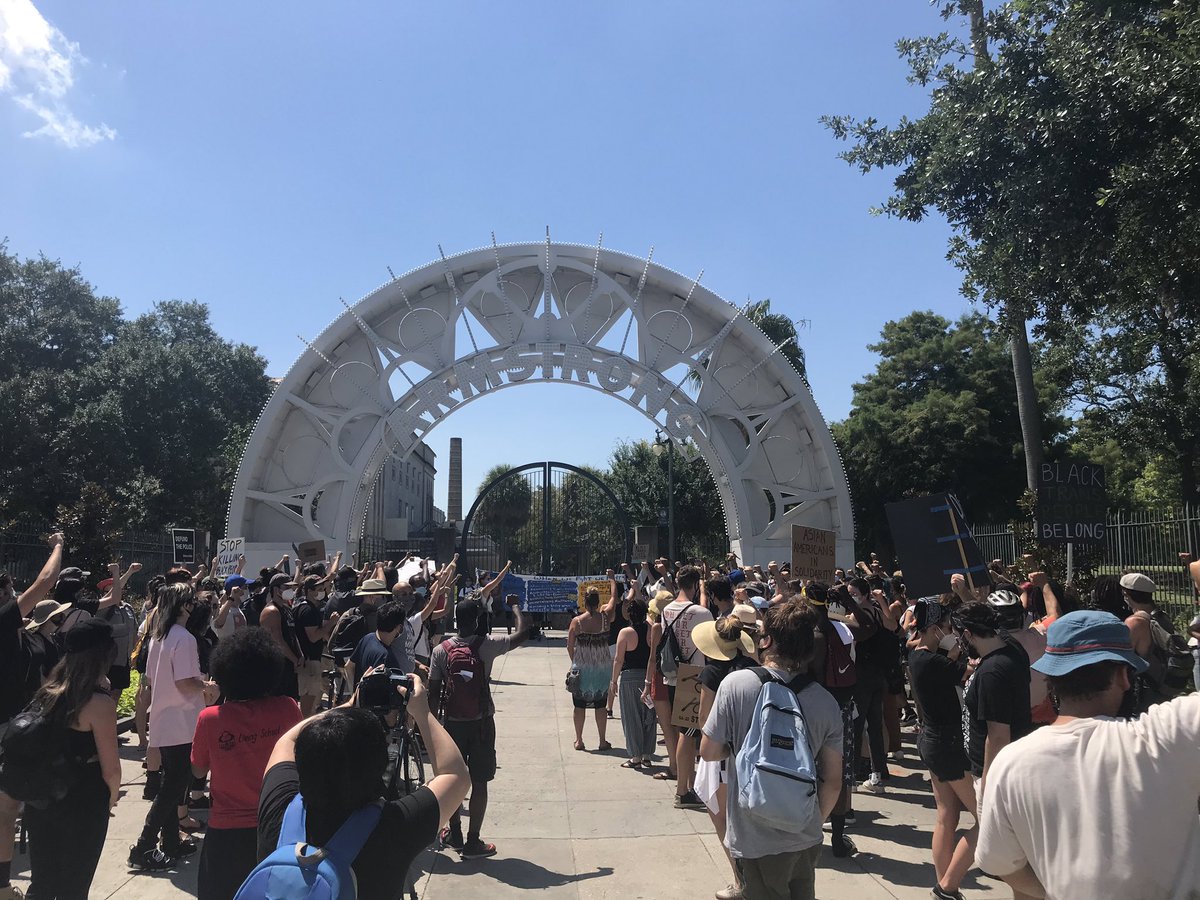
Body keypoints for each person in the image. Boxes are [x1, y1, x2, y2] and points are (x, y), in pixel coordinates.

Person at [976, 611, 1200, 899]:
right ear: (1123, 675)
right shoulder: (1167, 735)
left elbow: (1001, 864)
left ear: (1050, 679)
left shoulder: (1011, 763)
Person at [257, 677, 471, 900]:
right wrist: (422, 711)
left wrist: (348, 705)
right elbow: (456, 774)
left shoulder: (279, 807)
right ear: (380, 765)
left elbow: (286, 742)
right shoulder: (394, 826)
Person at [700, 601, 843, 900]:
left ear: (767, 640)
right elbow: (833, 780)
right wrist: (813, 820)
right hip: (804, 834)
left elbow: (709, 751)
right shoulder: (826, 702)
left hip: (753, 834)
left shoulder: (735, 685)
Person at [192, 627, 302, 900]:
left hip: (226, 829)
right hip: (278, 823)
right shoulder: (288, 708)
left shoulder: (210, 718)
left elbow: (197, 769)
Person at [20, 618, 121, 900]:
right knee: (74, 886)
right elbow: (111, 770)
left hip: (42, 797)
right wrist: (110, 798)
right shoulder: (99, 704)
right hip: (83, 800)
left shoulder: (46, 693)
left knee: (42, 881)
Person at [428, 596, 532, 859]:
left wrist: (432, 727)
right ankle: (473, 841)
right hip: (482, 723)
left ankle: (455, 833)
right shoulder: (487, 645)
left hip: (452, 725)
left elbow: (432, 694)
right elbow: (523, 634)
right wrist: (516, 606)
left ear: (455, 620)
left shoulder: (441, 650)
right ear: (476, 621)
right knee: (480, 782)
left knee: (452, 780)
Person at [130, 583, 218, 872]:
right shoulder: (184, 638)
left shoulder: (160, 636)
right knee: (173, 787)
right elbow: (185, 682)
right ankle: (144, 844)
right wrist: (207, 686)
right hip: (182, 721)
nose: (194, 605)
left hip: (165, 719)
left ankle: (169, 841)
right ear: (183, 606)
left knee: (172, 783)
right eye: (190, 600)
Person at [909, 599, 975, 900]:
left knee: (947, 815)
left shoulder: (919, 657)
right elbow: (964, 670)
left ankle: (946, 885)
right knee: (986, 816)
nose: (950, 631)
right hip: (946, 744)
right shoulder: (933, 662)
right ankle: (947, 884)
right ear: (935, 628)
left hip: (933, 742)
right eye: (947, 627)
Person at [692, 607, 758, 900]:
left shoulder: (713, 672)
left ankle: (741, 880)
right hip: (751, 747)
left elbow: (704, 719)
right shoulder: (751, 666)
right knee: (744, 817)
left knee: (723, 818)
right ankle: (748, 880)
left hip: (722, 753)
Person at [950, 601, 1031, 824]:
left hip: (997, 773)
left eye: (958, 636)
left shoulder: (991, 673)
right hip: (1008, 766)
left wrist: (987, 783)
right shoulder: (1010, 647)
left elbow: (998, 735)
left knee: (994, 851)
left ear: (967, 634)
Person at [646, 565, 712, 810]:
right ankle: (684, 790)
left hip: (672, 676)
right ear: (695, 586)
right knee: (689, 734)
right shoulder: (701, 612)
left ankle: (687, 785)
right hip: (693, 676)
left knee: (684, 731)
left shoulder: (666, 611)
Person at [805, 581, 860, 858]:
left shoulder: (806, 633)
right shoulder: (844, 629)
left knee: (810, 772)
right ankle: (838, 839)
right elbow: (864, 637)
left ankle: (808, 833)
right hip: (841, 709)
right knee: (837, 773)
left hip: (811, 710)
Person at [1121, 571, 1182, 711]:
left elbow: (1123, 657)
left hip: (1145, 688)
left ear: (1127, 594)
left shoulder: (1135, 622)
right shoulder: (1161, 617)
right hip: (1163, 684)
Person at [610, 595, 656, 768]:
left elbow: (618, 659)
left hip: (629, 678)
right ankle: (647, 754)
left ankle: (635, 756)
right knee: (649, 716)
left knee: (631, 717)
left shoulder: (625, 632)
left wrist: (613, 681)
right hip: (648, 676)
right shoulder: (651, 629)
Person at [567, 588, 612, 751]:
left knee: (579, 705)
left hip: (582, 668)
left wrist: (575, 661)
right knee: (601, 705)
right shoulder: (605, 620)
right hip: (602, 668)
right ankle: (602, 741)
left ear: (584, 602)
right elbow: (614, 600)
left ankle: (579, 740)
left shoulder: (576, 621)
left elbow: (570, 645)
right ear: (598, 601)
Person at [294, 575, 341, 716]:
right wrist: (332, 623)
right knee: (308, 708)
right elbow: (313, 637)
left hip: (306, 660)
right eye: (319, 589)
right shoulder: (308, 610)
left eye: (323, 588)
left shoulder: (301, 607)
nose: (322, 592)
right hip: (310, 662)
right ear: (309, 591)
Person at [346, 601, 413, 686]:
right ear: (399, 628)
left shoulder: (367, 638)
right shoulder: (387, 657)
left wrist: (355, 694)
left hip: (360, 697)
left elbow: (348, 666)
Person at [259, 572, 302, 700]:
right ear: (277, 589)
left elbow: (292, 634)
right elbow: (277, 640)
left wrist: (300, 655)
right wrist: (294, 659)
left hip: (290, 665)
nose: (290, 590)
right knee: (278, 702)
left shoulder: (286, 609)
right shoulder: (271, 611)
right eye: (287, 587)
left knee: (291, 701)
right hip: (278, 666)